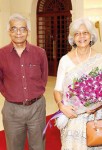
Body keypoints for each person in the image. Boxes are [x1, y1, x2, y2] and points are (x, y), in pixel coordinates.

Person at [53, 17, 102, 150]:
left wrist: (96, 106)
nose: (81, 37)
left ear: (91, 36)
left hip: (94, 116)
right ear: (72, 38)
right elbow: (57, 90)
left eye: (85, 33)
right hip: (72, 115)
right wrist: (61, 106)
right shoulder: (65, 60)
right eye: (77, 33)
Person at [0, 13, 48, 150]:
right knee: (14, 146)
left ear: (28, 31)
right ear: (9, 31)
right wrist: (11, 94)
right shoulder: (1, 55)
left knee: (38, 146)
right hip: (12, 110)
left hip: (37, 108)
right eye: (14, 29)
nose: (18, 33)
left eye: (22, 29)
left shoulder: (39, 52)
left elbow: (43, 78)